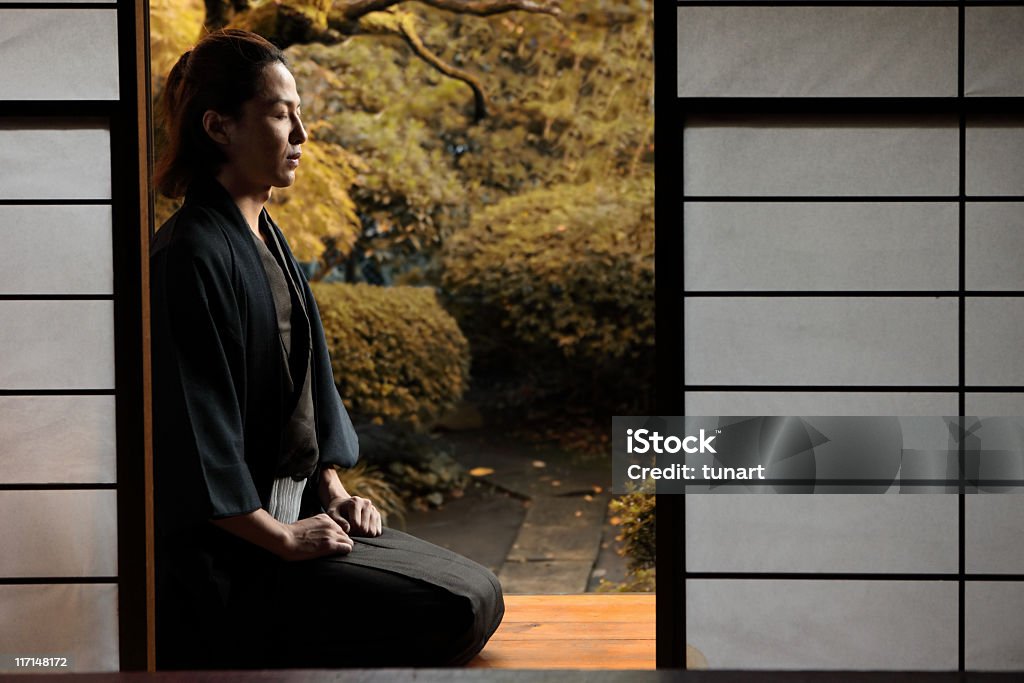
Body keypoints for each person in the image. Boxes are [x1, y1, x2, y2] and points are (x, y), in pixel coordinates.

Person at [150, 29, 503, 669]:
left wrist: (334, 491)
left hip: (303, 515)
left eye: (300, 114)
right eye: (282, 115)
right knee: (451, 612)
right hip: (232, 553)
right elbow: (190, 436)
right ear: (219, 126)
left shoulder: (268, 238)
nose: (301, 135)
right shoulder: (188, 255)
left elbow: (299, 401)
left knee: (480, 592)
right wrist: (281, 537)